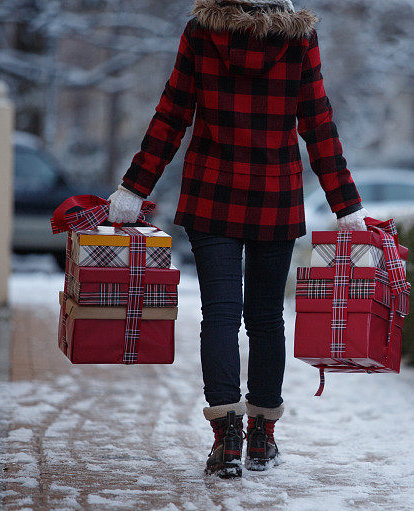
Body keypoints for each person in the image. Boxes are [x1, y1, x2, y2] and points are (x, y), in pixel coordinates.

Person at [107, 0, 367, 478]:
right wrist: (346, 203)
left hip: (212, 194)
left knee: (221, 315)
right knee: (266, 318)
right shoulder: (297, 38)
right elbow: (317, 123)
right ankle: (262, 438)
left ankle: (227, 438)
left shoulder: (202, 31)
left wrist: (134, 187)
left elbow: (172, 113)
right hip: (276, 195)